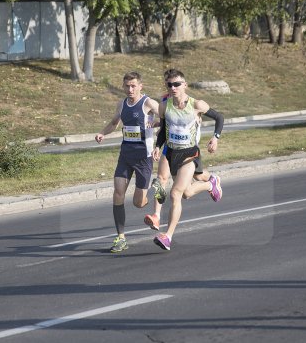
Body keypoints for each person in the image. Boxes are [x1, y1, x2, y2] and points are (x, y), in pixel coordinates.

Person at [151, 69, 224, 250]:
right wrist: (157, 147)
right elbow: (163, 131)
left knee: (175, 194)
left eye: (177, 84)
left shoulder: (196, 104)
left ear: (184, 85)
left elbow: (219, 117)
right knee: (187, 193)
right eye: (170, 85)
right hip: (172, 154)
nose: (173, 88)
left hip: (190, 153)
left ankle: (167, 236)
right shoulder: (164, 106)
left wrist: (215, 138)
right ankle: (211, 183)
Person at [95, 71, 160, 253]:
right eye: (127, 86)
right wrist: (102, 133)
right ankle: (121, 237)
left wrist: (155, 125)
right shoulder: (122, 104)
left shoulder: (148, 103)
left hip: (143, 158)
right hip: (125, 156)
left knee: (138, 203)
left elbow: (167, 119)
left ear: (140, 86)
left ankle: (155, 187)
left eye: (133, 86)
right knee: (118, 193)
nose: (130, 89)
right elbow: (114, 123)